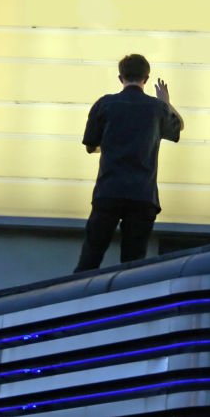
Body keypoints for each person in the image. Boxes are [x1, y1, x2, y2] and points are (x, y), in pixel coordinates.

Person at [73, 54, 184, 272]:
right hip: (143, 195)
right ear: (146, 78)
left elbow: (90, 145)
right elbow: (178, 127)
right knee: (133, 265)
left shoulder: (105, 104)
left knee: (90, 258)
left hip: (108, 191)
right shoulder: (157, 108)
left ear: (120, 77)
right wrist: (166, 102)